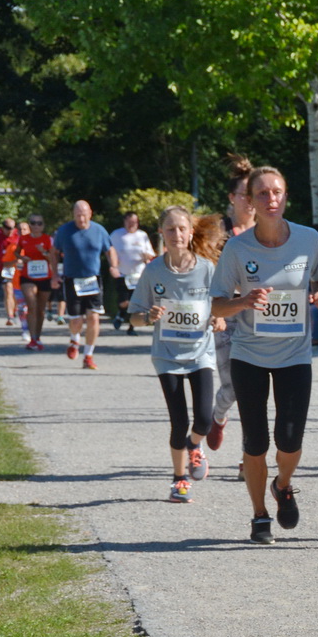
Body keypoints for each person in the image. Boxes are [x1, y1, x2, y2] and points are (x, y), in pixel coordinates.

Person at [208, 165, 318, 543]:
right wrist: (243, 301)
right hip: (250, 355)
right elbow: (216, 306)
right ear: (249, 201)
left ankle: (283, 484)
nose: (271, 199)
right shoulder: (237, 247)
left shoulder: (308, 239)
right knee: (256, 441)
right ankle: (259, 515)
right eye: (262, 193)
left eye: (277, 192)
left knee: (290, 440)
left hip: (295, 354)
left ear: (286, 195)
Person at [133, 206, 218, 503]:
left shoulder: (207, 269)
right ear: (161, 234)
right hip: (167, 356)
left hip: (200, 354)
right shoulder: (154, 270)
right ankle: (179, 479)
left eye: (182, 229)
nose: (177, 234)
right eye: (170, 229)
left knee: (205, 419)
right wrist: (149, 317)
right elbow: (134, 316)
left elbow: (220, 306)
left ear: (191, 232)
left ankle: (195, 445)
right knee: (179, 421)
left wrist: (219, 319)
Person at [207, 156, 258, 453]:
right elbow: (205, 275)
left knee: (257, 390)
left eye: (255, 194)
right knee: (233, 388)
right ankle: (219, 415)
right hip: (227, 316)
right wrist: (216, 312)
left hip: (260, 318)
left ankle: (249, 455)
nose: (250, 202)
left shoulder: (267, 232)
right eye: (244, 195)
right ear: (232, 198)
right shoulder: (218, 234)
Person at [53, 200, 119, 369]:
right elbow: (54, 252)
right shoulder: (65, 231)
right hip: (72, 279)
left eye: (84, 215)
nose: (81, 219)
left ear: (90, 213)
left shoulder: (99, 230)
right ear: (73, 215)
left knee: (93, 317)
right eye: (77, 215)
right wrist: (54, 274)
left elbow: (109, 249)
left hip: (92, 280)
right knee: (76, 321)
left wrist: (113, 266)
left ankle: (88, 355)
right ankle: (75, 341)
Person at [110, 210, 157, 335]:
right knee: (124, 302)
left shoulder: (142, 235)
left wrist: (146, 256)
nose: (133, 225)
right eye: (130, 222)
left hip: (138, 274)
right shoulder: (117, 235)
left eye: (135, 222)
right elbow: (110, 251)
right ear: (125, 222)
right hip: (122, 273)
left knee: (135, 302)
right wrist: (113, 265)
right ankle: (120, 314)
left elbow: (151, 254)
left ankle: (131, 327)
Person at [19, 213, 58, 350]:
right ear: (29, 225)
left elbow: (53, 258)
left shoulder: (48, 239)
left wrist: (44, 253)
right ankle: (32, 338)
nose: (36, 225)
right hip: (27, 276)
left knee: (40, 309)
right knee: (31, 304)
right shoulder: (23, 239)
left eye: (39, 223)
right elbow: (17, 253)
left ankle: (38, 337)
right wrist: (22, 258)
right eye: (33, 223)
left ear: (43, 225)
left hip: (44, 277)